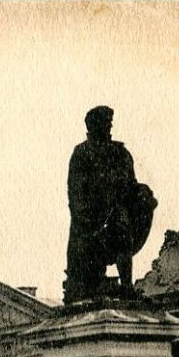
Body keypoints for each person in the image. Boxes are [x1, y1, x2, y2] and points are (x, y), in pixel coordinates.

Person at [64, 105, 156, 303]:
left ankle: (127, 285)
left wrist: (142, 192)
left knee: (122, 230)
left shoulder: (121, 153)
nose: (108, 127)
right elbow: (75, 191)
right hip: (89, 217)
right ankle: (96, 282)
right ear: (92, 126)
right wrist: (87, 217)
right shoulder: (82, 153)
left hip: (116, 211)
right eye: (104, 123)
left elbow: (131, 185)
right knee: (96, 245)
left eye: (109, 124)